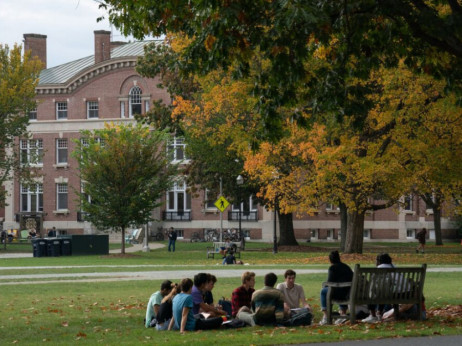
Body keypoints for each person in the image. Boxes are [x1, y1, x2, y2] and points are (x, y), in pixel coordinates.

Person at [362, 253, 410, 323]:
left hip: (395, 293)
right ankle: (379, 313)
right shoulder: (394, 267)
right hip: (407, 293)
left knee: (373, 292)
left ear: (378, 261)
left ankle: (373, 316)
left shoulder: (380, 268)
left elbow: (374, 284)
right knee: (383, 291)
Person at [319, 250, 353, 325]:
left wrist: (325, 285)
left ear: (330, 260)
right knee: (339, 289)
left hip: (339, 293)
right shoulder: (346, 267)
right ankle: (343, 313)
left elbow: (330, 282)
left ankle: (326, 315)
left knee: (323, 291)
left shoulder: (332, 268)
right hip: (349, 292)